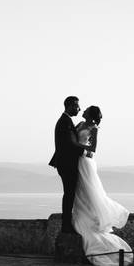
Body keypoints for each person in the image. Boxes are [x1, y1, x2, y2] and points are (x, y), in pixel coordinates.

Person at [71, 106, 133, 266]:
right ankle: (82, 217)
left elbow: (92, 149)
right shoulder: (78, 125)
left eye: (85, 110)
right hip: (76, 161)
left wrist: (77, 146)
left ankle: (91, 222)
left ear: (90, 115)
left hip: (84, 162)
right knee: (79, 193)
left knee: (88, 192)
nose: (82, 111)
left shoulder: (94, 129)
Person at [48, 96, 94, 233]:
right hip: (67, 164)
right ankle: (66, 225)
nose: (79, 109)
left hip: (65, 163)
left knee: (70, 194)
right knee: (69, 194)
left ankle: (67, 224)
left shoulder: (66, 121)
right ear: (70, 106)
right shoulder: (65, 122)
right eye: (77, 106)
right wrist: (85, 152)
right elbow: (70, 143)